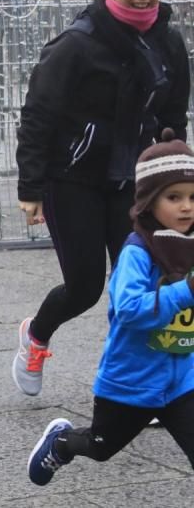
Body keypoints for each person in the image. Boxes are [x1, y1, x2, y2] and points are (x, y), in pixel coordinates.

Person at [13, 0, 191, 396]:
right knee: (86, 286)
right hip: (71, 178)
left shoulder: (168, 40)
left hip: (134, 182)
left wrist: (177, 176)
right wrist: (30, 186)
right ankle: (35, 335)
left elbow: (174, 114)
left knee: (141, 283)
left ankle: (140, 383)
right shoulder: (78, 43)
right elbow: (38, 113)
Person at [26, 129, 194, 486]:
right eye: (174, 197)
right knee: (101, 447)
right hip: (130, 382)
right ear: (149, 202)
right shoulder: (137, 252)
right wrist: (186, 290)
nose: (186, 207)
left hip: (181, 382)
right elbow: (130, 311)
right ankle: (62, 442)